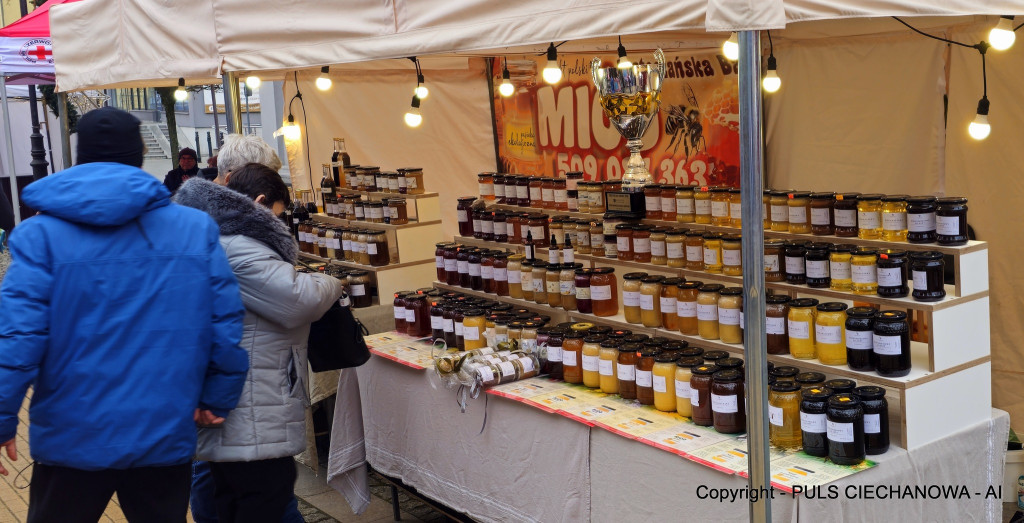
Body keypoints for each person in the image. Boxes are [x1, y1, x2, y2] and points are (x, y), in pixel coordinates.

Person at [0, 107, 250, 522]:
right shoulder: (193, 229)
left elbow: (17, 338)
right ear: (138, 157)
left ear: (81, 157)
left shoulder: (39, 237)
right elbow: (224, 322)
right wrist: (216, 395)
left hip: (71, 437)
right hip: (163, 429)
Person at [174, 163, 345, 523]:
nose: (281, 225)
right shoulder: (239, 246)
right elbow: (296, 300)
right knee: (261, 499)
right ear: (262, 202)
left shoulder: (214, 237)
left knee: (239, 501)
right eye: (279, 216)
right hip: (251, 404)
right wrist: (331, 282)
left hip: (242, 404)